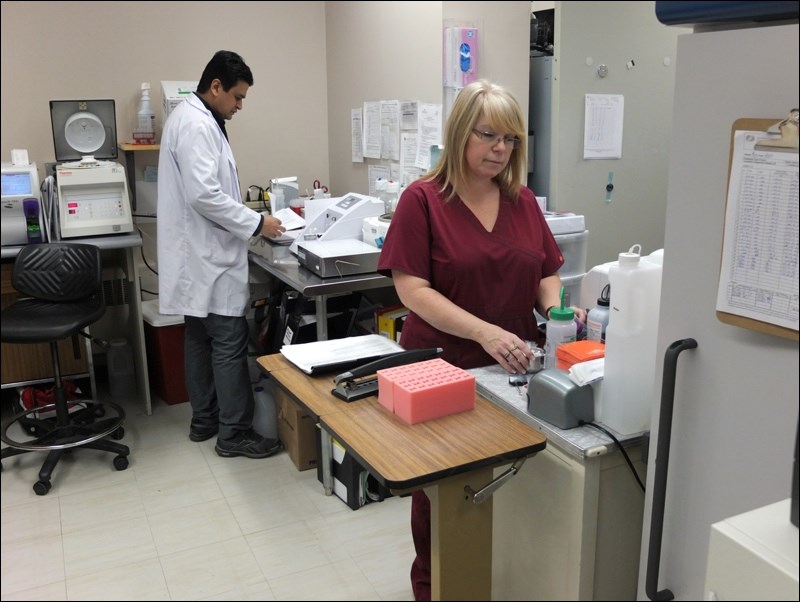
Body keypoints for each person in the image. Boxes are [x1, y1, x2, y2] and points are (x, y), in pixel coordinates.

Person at [377, 79, 585, 601]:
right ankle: (437, 587)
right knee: (443, 497)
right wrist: (486, 331)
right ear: (459, 133)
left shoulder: (522, 203)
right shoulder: (422, 200)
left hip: (514, 370)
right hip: (443, 368)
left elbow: (544, 272)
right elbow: (412, 290)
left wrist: (558, 311)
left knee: (514, 487)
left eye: (510, 139)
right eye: (488, 135)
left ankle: (502, 583)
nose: (500, 149)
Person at [157, 50, 286, 459]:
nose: (239, 106)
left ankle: (205, 421)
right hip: (208, 255)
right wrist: (256, 223)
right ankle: (234, 434)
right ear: (216, 87)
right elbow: (204, 195)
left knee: (198, 338)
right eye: (237, 96)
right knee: (229, 342)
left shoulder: (193, 117)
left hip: (198, 255)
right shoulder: (196, 124)